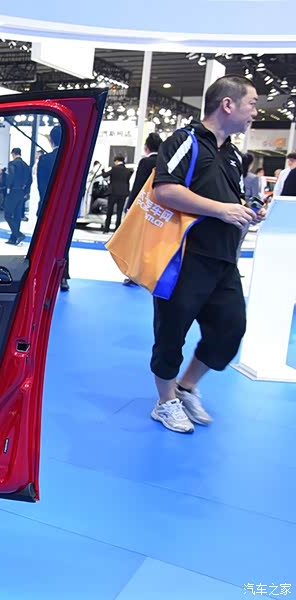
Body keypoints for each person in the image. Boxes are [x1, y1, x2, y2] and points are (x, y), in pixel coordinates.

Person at [149, 75, 264, 434]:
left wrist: (245, 210)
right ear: (228, 104)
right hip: (183, 258)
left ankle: (185, 388)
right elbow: (165, 189)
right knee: (171, 335)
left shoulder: (234, 155)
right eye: (252, 103)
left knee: (230, 329)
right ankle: (165, 401)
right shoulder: (184, 141)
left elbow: (229, 199)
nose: (255, 113)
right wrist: (221, 210)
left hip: (223, 260)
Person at [123, 133, 162, 286]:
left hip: (144, 206)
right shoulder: (165, 161)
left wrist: (130, 206)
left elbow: (138, 185)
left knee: (139, 241)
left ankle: (135, 275)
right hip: (160, 208)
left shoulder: (145, 162)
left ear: (146, 147)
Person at [36, 125, 70, 291]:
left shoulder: (44, 159)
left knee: (45, 242)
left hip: (47, 207)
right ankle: (63, 277)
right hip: (66, 209)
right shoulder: (71, 159)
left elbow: (41, 186)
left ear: (51, 140)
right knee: (63, 243)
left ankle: (44, 275)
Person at [4, 148, 32, 245]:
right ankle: (13, 239)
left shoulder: (12, 164)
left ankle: (18, 234)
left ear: (13, 154)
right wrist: (26, 191)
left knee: (7, 214)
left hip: (13, 190)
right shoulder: (26, 166)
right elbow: (30, 180)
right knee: (17, 216)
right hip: (21, 192)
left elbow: (11, 176)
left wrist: (8, 186)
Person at [101, 155, 133, 233]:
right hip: (123, 193)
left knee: (109, 211)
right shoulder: (128, 171)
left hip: (113, 192)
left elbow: (105, 175)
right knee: (119, 212)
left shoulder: (114, 169)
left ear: (117, 161)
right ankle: (117, 230)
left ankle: (106, 229)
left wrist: (103, 170)